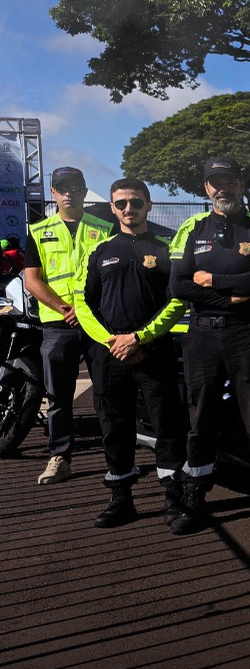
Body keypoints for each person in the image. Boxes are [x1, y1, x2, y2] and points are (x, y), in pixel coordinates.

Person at [169, 156, 250, 534]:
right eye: (215, 182)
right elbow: (178, 286)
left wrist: (209, 280)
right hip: (202, 334)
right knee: (200, 419)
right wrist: (232, 295)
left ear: (241, 184)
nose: (223, 187)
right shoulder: (190, 228)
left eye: (230, 181)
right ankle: (194, 496)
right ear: (206, 188)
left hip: (246, 333)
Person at [75, 178, 190, 530]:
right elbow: (83, 303)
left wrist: (140, 338)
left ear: (148, 205)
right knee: (114, 427)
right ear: (112, 208)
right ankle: (121, 499)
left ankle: (174, 500)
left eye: (136, 202)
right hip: (110, 355)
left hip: (154, 353)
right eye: (121, 203)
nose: (129, 209)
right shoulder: (99, 251)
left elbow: (178, 301)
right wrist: (114, 342)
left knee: (168, 426)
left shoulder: (167, 248)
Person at [23, 166, 113, 485]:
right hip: (57, 325)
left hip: (97, 324)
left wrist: (86, 311)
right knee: (58, 396)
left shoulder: (105, 229)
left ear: (85, 192)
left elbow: (113, 276)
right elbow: (32, 280)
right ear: (53, 193)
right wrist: (65, 308)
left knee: (106, 394)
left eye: (75, 188)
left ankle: (116, 459)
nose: (68, 194)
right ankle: (60, 457)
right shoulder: (38, 231)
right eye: (62, 188)